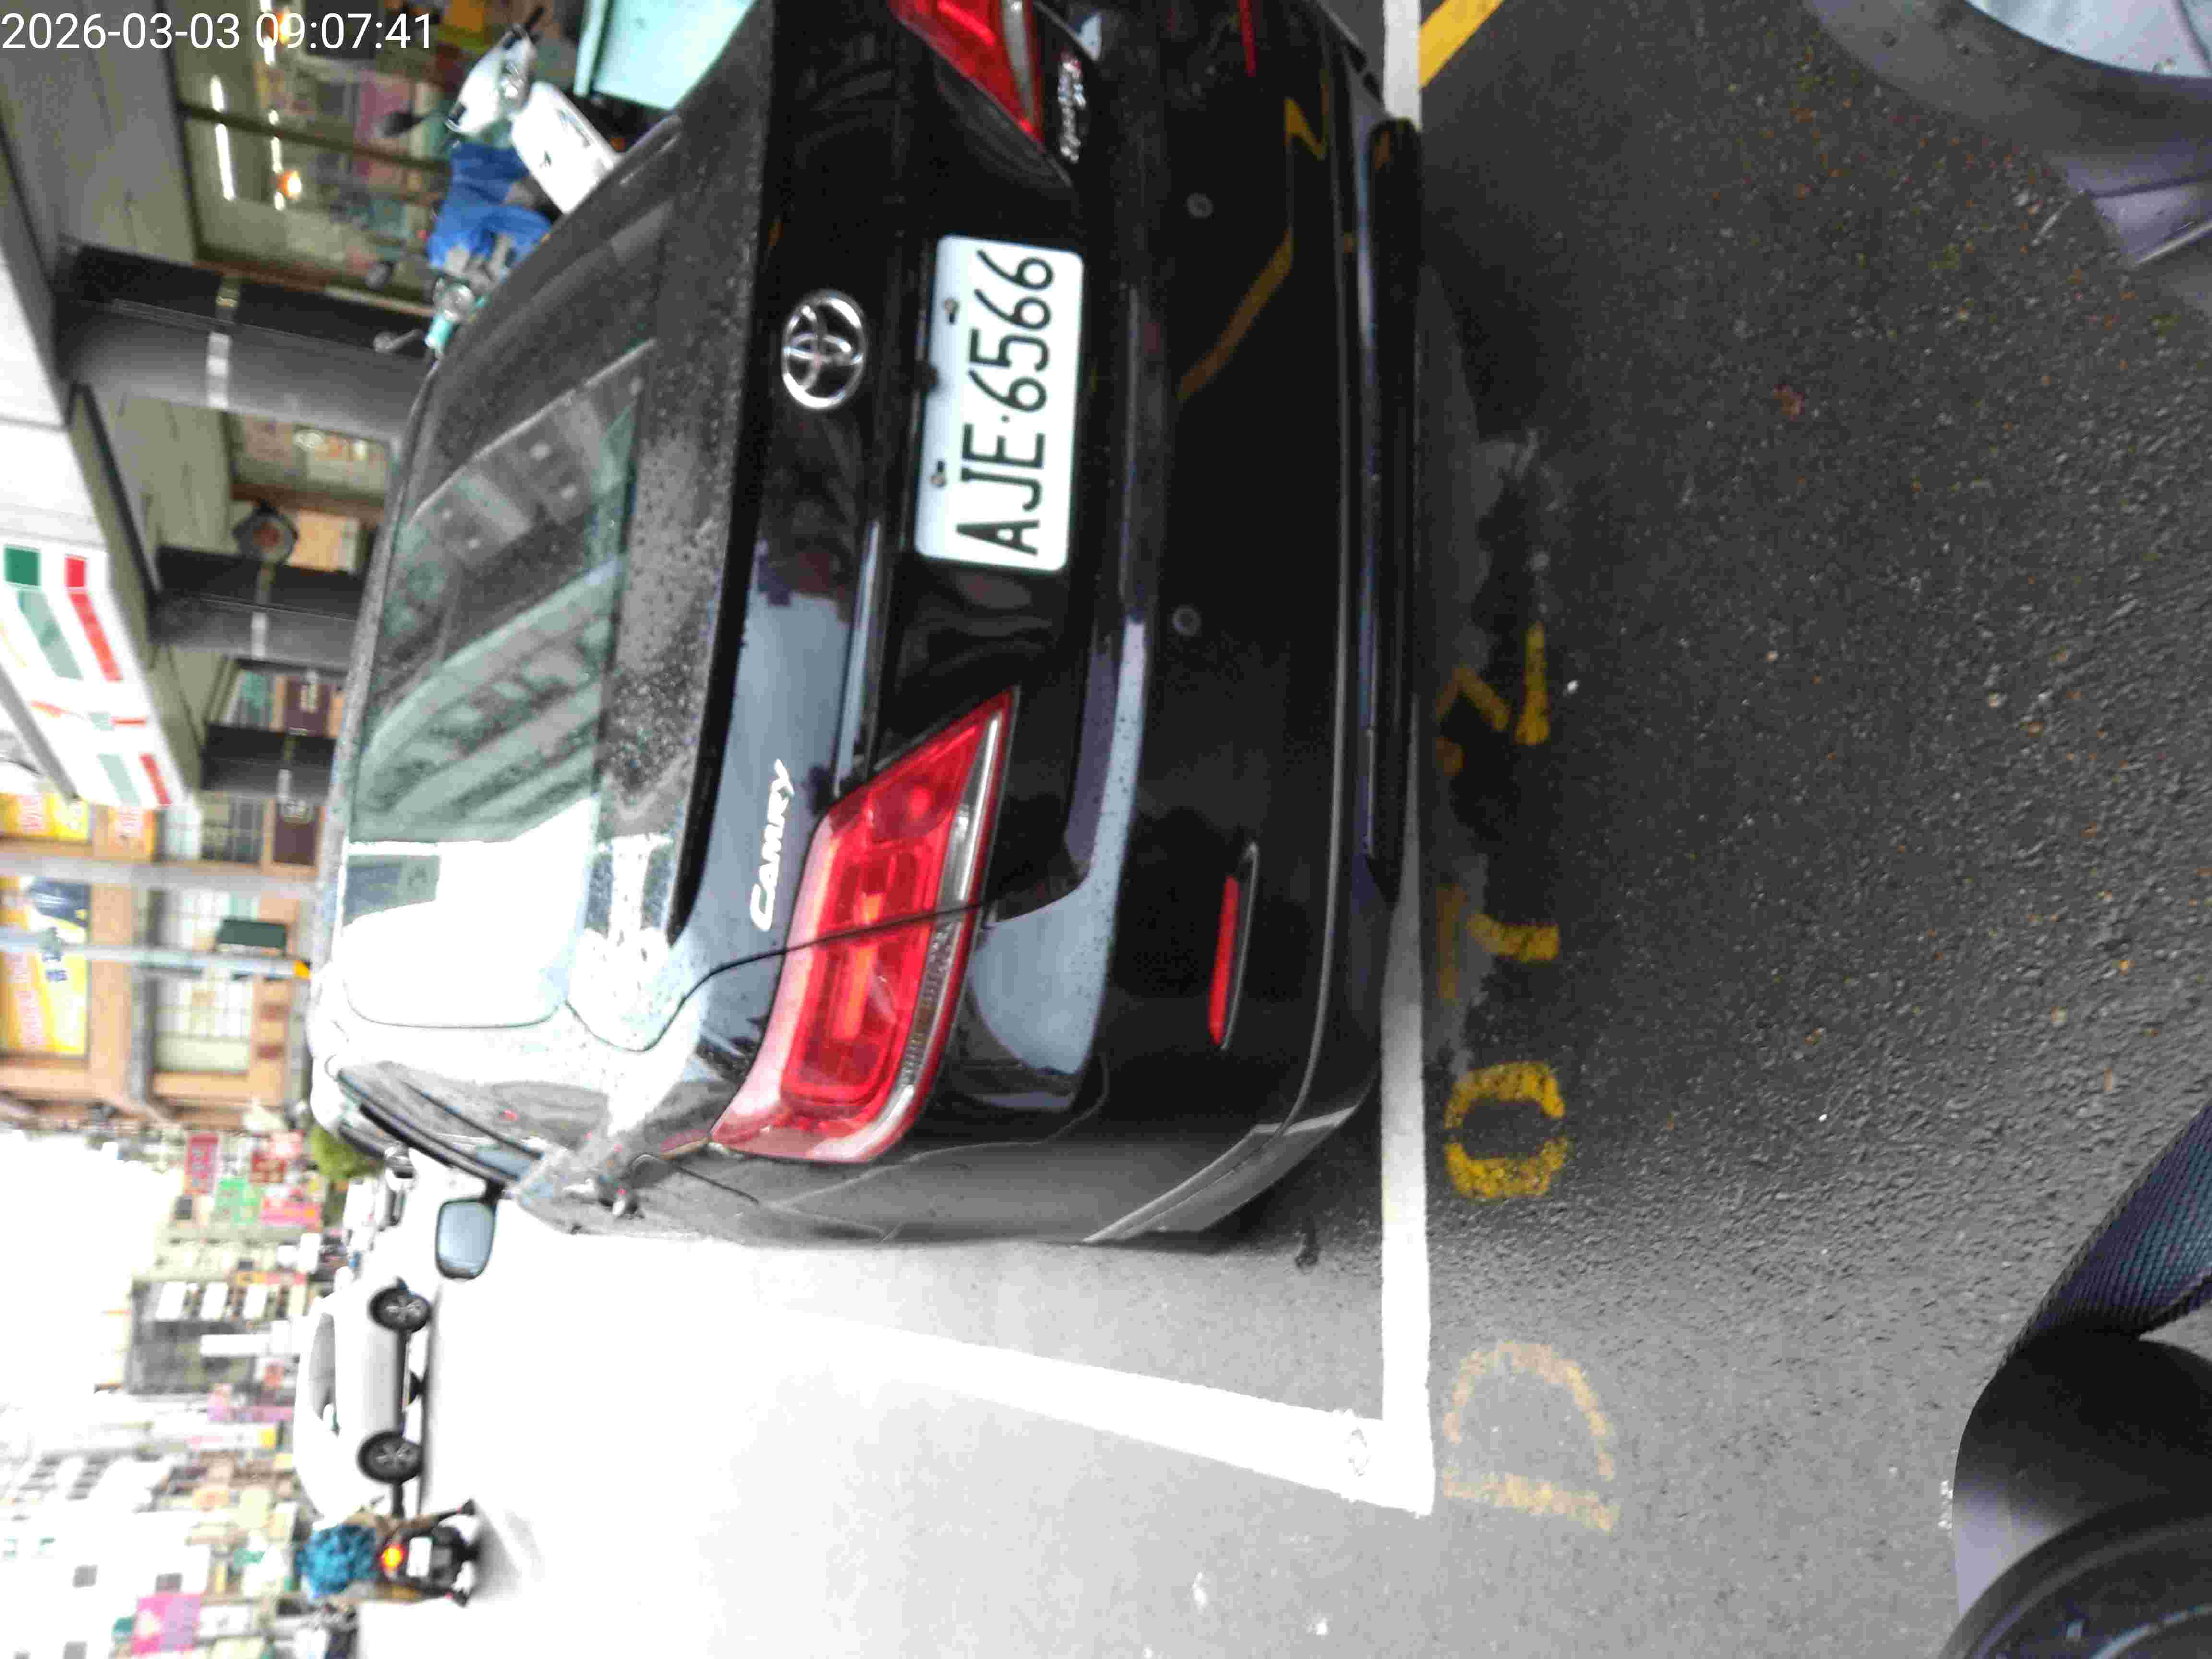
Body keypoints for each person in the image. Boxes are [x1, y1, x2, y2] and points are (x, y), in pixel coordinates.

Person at [299, 1502, 483, 1605]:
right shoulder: (318, 1539)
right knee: (411, 1525)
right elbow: (351, 1524)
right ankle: (460, 1511)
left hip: (377, 1572)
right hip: (379, 1542)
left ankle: (450, 1594)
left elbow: (355, 1594)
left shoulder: (319, 1585)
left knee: (406, 1595)